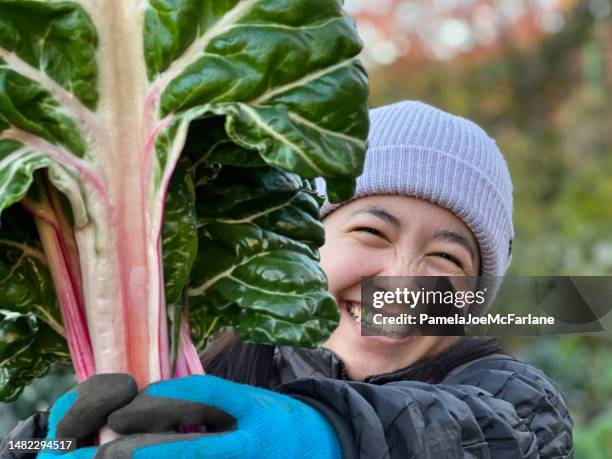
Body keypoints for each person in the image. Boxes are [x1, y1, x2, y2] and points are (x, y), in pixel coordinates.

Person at [2, 101, 573, 459]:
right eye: (372, 233)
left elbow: (495, 438)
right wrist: (45, 445)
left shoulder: (510, 396)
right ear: (305, 246)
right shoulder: (202, 368)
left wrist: (320, 436)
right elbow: (20, 446)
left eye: (447, 262)